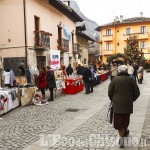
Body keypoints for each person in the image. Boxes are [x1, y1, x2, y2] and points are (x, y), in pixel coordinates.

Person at [108, 65, 140, 148]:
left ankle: (121, 139)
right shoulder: (131, 80)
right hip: (127, 105)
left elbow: (110, 92)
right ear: (126, 71)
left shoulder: (114, 79)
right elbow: (137, 92)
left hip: (117, 105)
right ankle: (125, 131)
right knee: (125, 120)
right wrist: (131, 100)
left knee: (119, 123)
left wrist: (113, 99)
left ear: (118, 71)